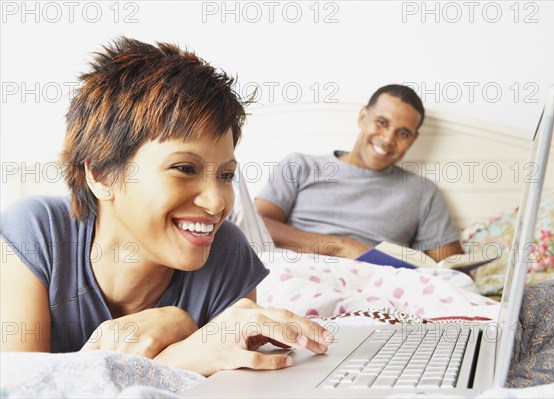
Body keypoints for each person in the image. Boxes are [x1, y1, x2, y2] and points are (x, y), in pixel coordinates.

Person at [0, 37, 333, 377]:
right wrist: (172, 358)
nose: (217, 202)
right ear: (100, 174)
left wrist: (184, 345)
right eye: (184, 169)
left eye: (226, 174)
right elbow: (19, 386)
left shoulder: (228, 255)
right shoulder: (35, 233)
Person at [255, 85, 463, 262]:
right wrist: (341, 246)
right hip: (299, 271)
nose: (389, 139)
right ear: (363, 117)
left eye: (403, 133)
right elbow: (254, 224)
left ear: (413, 139)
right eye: (382, 122)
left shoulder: (423, 192)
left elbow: (448, 266)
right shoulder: (300, 166)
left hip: (379, 287)